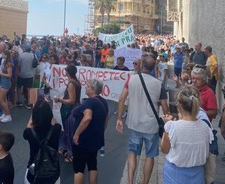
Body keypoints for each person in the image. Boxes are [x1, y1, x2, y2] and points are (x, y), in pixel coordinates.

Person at [116, 54, 169, 184]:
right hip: (151, 126)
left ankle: (130, 181)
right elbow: (165, 107)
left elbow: (122, 98)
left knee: (132, 152)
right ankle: (145, 182)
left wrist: (119, 119)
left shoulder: (131, 79)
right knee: (150, 155)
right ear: (153, 68)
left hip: (134, 123)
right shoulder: (158, 84)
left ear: (141, 65)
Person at [161, 88, 213, 183]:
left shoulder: (173, 126)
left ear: (179, 106)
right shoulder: (205, 127)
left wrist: (166, 127)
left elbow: (164, 149)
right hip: (197, 173)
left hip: (175, 173)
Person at [72, 79, 109, 184]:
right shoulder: (103, 101)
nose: (85, 88)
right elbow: (106, 119)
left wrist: (76, 134)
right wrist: (100, 131)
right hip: (95, 140)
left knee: (79, 169)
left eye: (87, 86)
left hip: (83, 141)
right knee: (92, 165)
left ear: (93, 89)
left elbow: (87, 117)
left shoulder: (90, 102)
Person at [23, 100, 61, 184]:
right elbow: (55, 123)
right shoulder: (56, 129)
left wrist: (33, 112)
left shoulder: (29, 133)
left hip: (33, 172)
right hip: (53, 173)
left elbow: (28, 128)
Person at [54, 64, 81, 163]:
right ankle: (65, 148)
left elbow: (72, 100)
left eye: (66, 71)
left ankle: (72, 154)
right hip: (75, 108)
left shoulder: (71, 83)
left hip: (71, 110)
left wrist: (60, 100)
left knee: (69, 131)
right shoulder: (76, 81)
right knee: (67, 130)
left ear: (68, 72)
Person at [16, 44, 36, 109]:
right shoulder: (33, 55)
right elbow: (36, 63)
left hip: (21, 74)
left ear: (24, 49)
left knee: (19, 87)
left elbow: (18, 65)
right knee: (29, 89)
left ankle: (19, 100)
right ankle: (29, 103)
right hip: (30, 74)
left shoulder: (21, 55)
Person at [0, 50, 13, 123]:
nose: (1, 55)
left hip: (6, 82)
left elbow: (9, 75)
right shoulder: (5, 62)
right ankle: (4, 113)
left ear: (6, 55)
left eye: (2, 54)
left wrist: (0, 74)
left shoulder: (9, 64)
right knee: (4, 99)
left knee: (0, 100)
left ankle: (8, 115)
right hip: (2, 81)